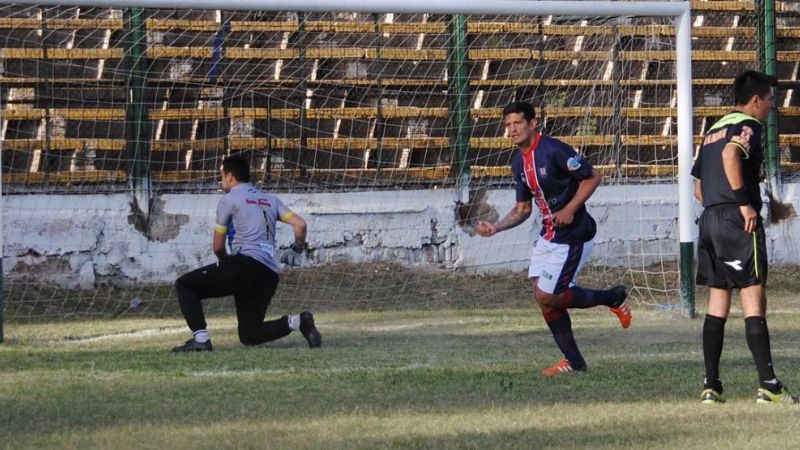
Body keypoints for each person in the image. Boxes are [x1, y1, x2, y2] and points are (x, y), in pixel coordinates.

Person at [476, 101, 631, 375]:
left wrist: (570, 208)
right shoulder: (519, 163)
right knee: (542, 296)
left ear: (533, 124)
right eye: (508, 125)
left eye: (517, 123)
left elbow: (593, 176)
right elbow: (524, 209)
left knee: (549, 294)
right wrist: (497, 227)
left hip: (574, 234)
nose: (512, 130)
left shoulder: (554, 150)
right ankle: (575, 362)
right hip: (549, 235)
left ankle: (613, 298)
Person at [692, 70, 797, 404]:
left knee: (718, 300)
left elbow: (698, 186)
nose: (770, 107)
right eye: (770, 101)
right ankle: (768, 384)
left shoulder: (713, 128)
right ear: (755, 100)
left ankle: (711, 385)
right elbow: (730, 156)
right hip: (737, 219)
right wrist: (742, 205)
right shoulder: (748, 126)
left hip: (709, 218)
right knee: (754, 296)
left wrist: (719, 203)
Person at [171, 156, 321, 352]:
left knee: (184, 284)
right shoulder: (271, 200)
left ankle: (201, 339)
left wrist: (226, 264)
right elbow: (300, 224)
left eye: (222, 176)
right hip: (268, 274)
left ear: (230, 176)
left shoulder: (229, 199)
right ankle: (299, 322)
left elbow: (217, 246)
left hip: (243, 265)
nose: (221, 181)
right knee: (250, 335)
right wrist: (297, 248)